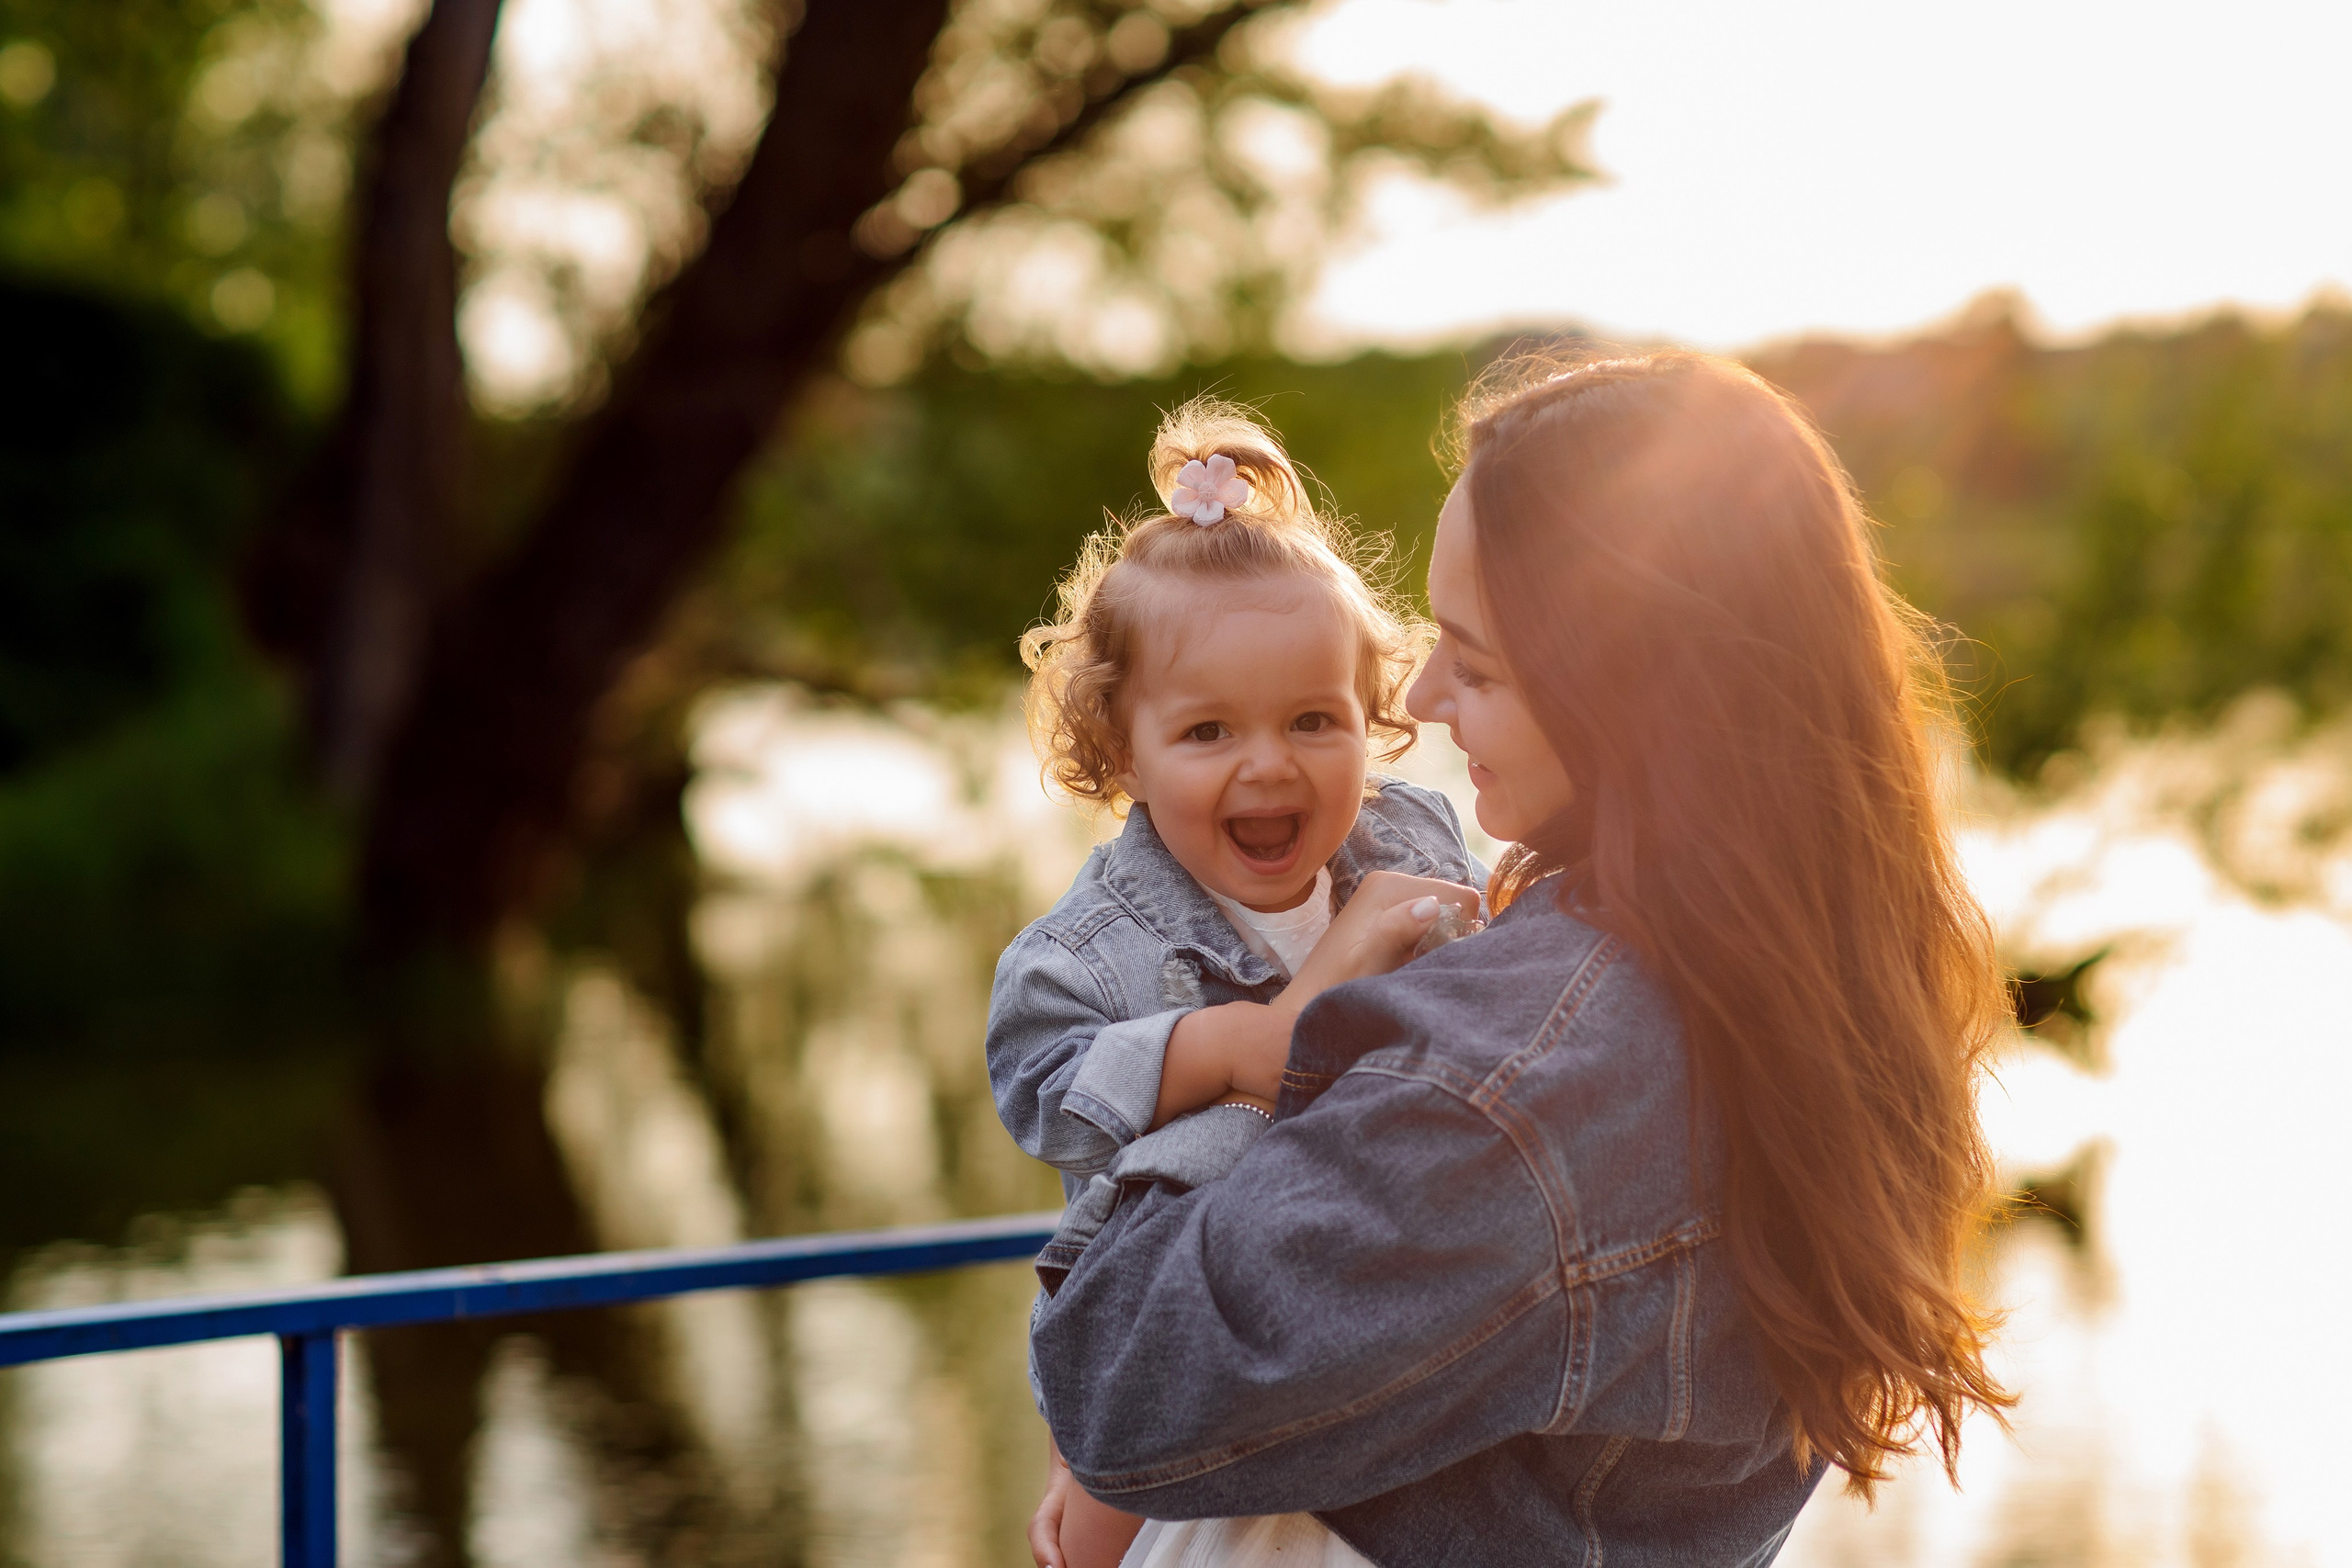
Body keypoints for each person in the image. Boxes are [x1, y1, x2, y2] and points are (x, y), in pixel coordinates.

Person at [1028, 351, 2015, 1567]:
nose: (1425, 695)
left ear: (1635, 696)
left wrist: (1263, 1060)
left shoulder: (1512, 1078)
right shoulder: (1813, 965)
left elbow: (1118, 1388)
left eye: (1478, 662)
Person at [988, 400, 1486, 1568]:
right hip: (1195, 1340)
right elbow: (1044, 1096)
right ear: (1123, 748)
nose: (1269, 765)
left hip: (1387, 1328)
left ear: (1371, 718)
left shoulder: (1412, 843)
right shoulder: (1090, 949)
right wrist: (1229, 1048)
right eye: (1208, 732)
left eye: (1313, 720)